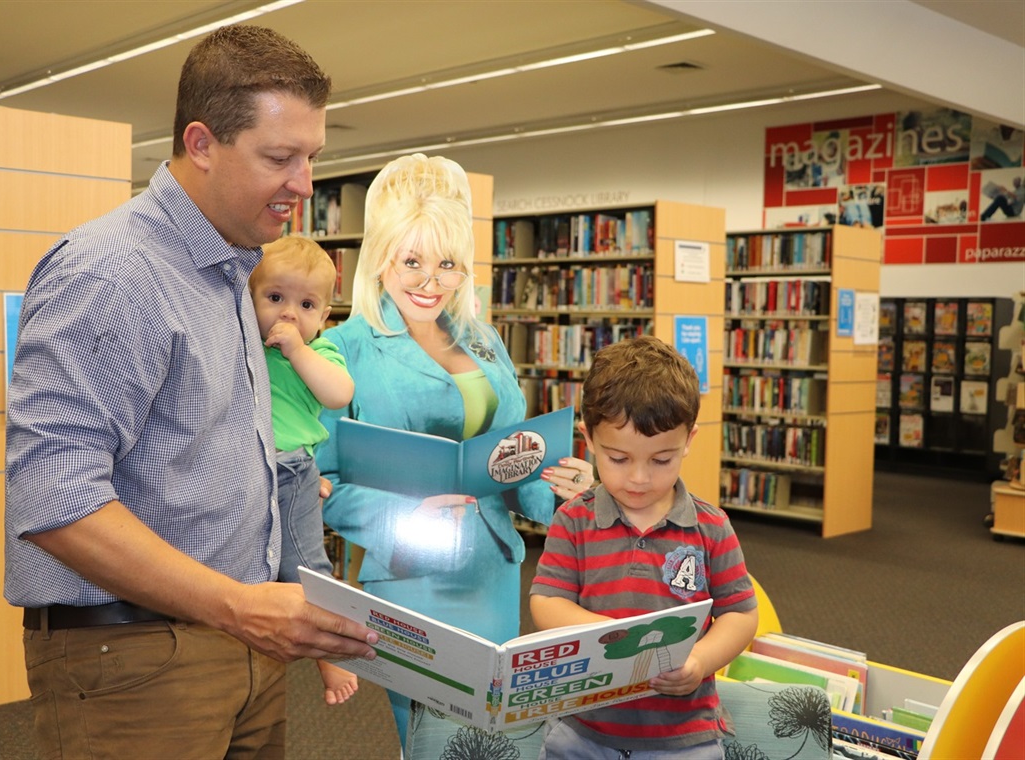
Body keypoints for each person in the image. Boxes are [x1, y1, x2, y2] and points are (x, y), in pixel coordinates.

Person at [4, 25, 377, 760]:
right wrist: (237, 606)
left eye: (312, 158)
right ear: (202, 144)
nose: (305, 184)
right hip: (140, 660)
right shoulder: (112, 272)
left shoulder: (233, 269)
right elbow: (52, 498)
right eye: (280, 158)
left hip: (243, 648)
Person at [315, 153, 594, 750]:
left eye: (447, 264)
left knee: (496, 735)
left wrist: (566, 492)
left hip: (491, 571)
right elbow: (318, 481)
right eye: (411, 261)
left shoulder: (483, 339)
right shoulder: (343, 349)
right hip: (409, 571)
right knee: (431, 738)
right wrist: (398, 518)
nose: (429, 282)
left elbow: (515, 460)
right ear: (380, 258)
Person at [530, 335, 759, 759]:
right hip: (583, 730)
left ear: (689, 440)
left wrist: (700, 661)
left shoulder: (710, 527)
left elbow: (740, 615)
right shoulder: (575, 520)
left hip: (684, 736)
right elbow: (547, 600)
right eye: (618, 459)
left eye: (660, 460)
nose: (638, 478)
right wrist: (608, 637)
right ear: (589, 440)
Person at [248, 235, 358, 705]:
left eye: (306, 304)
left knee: (305, 568)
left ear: (324, 318)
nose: (289, 314)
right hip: (246, 469)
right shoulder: (245, 346)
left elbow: (338, 394)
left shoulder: (322, 352)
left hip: (290, 471)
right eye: (275, 298)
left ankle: (331, 657)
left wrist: (297, 351)